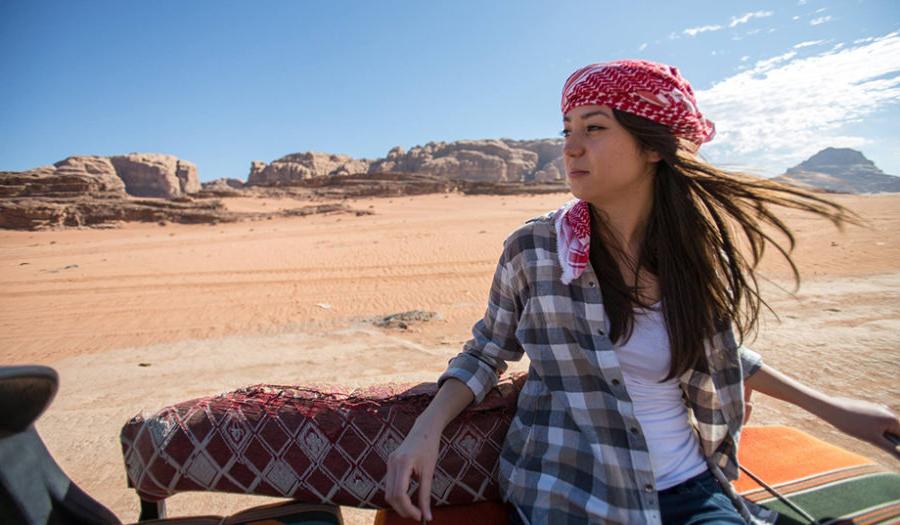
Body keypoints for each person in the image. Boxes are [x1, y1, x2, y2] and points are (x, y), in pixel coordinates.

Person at [383, 59, 900, 524]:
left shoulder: (695, 254)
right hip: (572, 492)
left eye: (594, 128)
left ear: (652, 145)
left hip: (690, 486)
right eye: (567, 129)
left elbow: (722, 353)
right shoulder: (536, 249)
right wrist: (426, 430)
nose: (570, 146)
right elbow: (488, 350)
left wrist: (833, 408)